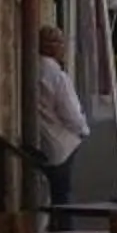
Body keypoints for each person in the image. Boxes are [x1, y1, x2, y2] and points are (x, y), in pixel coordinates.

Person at [34, 25, 89, 220]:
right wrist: (83, 130)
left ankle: (57, 232)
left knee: (55, 192)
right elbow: (70, 113)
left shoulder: (35, 69)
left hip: (41, 140)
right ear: (49, 46)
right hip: (60, 143)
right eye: (59, 42)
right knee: (62, 194)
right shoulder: (56, 75)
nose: (63, 47)